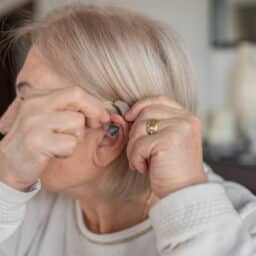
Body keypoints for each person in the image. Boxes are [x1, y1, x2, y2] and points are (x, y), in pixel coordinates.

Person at [0, 4, 255, 256]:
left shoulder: (244, 228)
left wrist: (187, 199)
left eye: (31, 102)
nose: (5, 123)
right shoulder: (24, 202)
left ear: (110, 134)